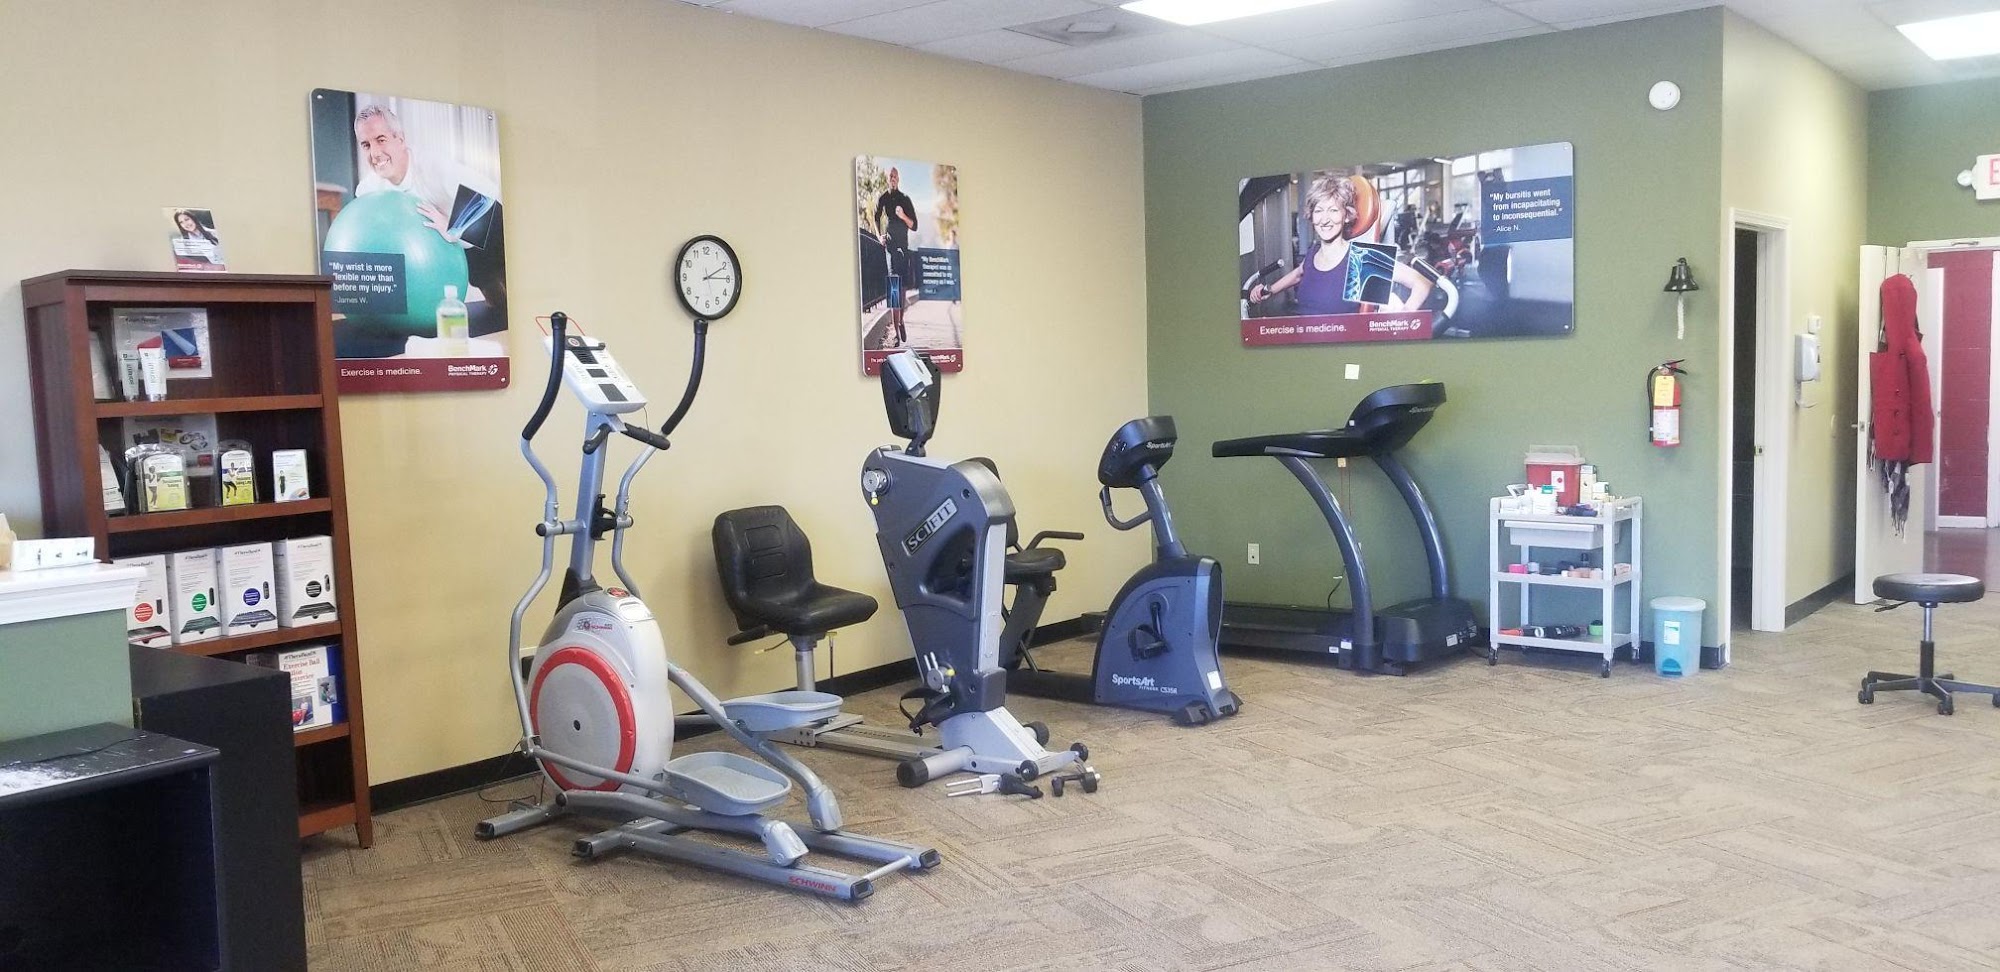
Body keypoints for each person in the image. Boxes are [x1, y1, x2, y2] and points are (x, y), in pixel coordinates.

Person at [351, 103, 508, 331]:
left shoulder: (435, 166)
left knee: (501, 300)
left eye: (381, 140)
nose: (374, 153)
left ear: (400, 139)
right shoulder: (368, 190)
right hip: (435, 250)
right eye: (366, 145)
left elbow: (489, 194)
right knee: (489, 298)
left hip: (479, 233)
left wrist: (454, 228)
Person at [1249, 174, 1432, 316]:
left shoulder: (1360, 259)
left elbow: (1422, 283)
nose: (1325, 219)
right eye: (1319, 211)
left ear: (1346, 216)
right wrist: (1270, 290)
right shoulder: (1313, 253)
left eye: (1333, 210)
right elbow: (1298, 274)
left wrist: (1403, 318)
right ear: (1311, 216)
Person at [871, 167, 920, 347]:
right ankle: (896, 334)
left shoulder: (905, 199)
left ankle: (900, 321)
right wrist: (879, 235)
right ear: (887, 179)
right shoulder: (883, 198)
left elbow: (914, 225)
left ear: (898, 179)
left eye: (894, 176)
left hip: (903, 248)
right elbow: (876, 217)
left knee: (902, 290)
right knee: (894, 289)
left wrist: (903, 215)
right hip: (890, 248)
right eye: (890, 176)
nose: (892, 178)